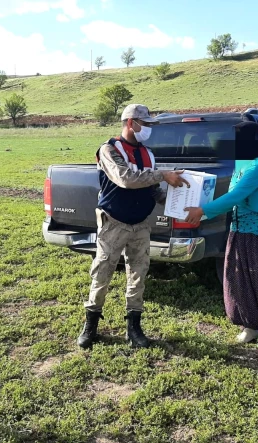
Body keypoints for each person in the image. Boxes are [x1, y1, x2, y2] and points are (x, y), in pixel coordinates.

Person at [78, 104, 190, 349]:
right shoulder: (110, 149)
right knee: (102, 274)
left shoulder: (148, 154)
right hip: (114, 223)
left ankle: (134, 327)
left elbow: (153, 190)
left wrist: (182, 204)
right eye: (145, 124)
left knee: (138, 275)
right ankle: (90, 325)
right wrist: (163, 175)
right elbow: (125, 178)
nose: (148, 129)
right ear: (130, 123)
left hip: (140, 224)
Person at [184, 121, 258, 350]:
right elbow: (231, 195)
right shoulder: (242, 163)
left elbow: (235, 196)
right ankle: (250, 326)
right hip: (241, 231)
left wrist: (202, 212)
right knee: (239, 281)